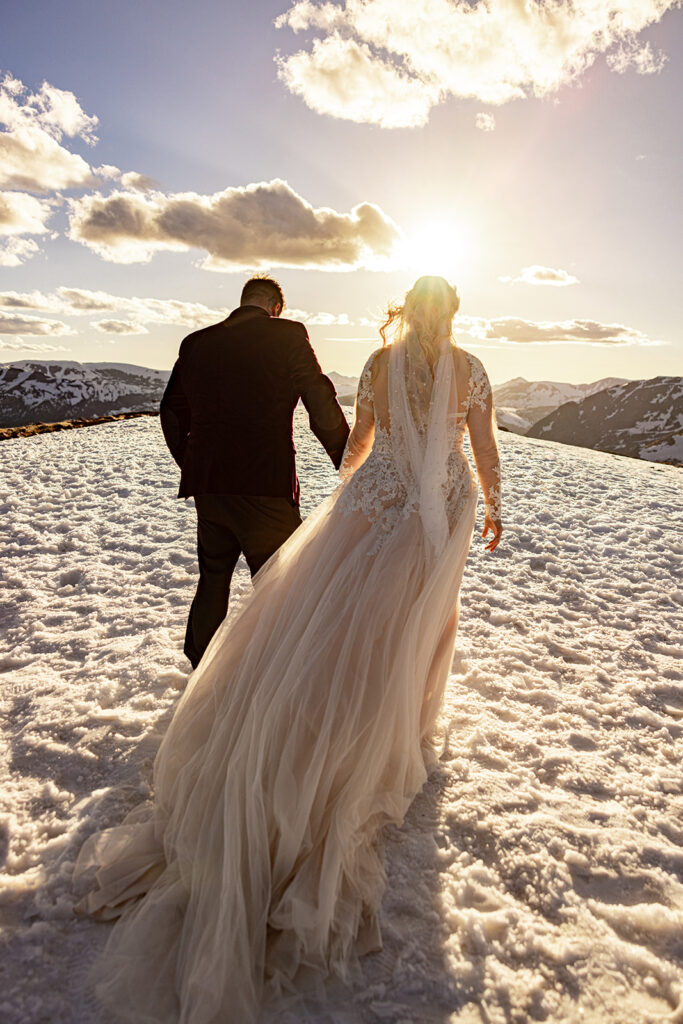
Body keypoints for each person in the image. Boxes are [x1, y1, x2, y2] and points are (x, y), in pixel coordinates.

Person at [73, 276, 503, 1024]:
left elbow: (361, 435)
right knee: (424, 616)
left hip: (358, 497)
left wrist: (349, 485)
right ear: (455, 314)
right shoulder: (469, 367)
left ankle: (244, 682)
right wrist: (493, 499)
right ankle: (404, 718)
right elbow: (481, 441)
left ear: (405, 310)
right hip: (442, 506)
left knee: (338, 611)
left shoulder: (374, 363)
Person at [159, 274, 350, 668]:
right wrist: (346, 461)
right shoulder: (287, 335)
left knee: (213, 578)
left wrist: (194, 464)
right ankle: (276, 678)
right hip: (265, 484)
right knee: (283, 587)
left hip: (210, 487)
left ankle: (201, 670)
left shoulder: (196, 343)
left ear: (244, 300)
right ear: (275, 307)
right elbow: (318, 396)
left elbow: (172, 413)